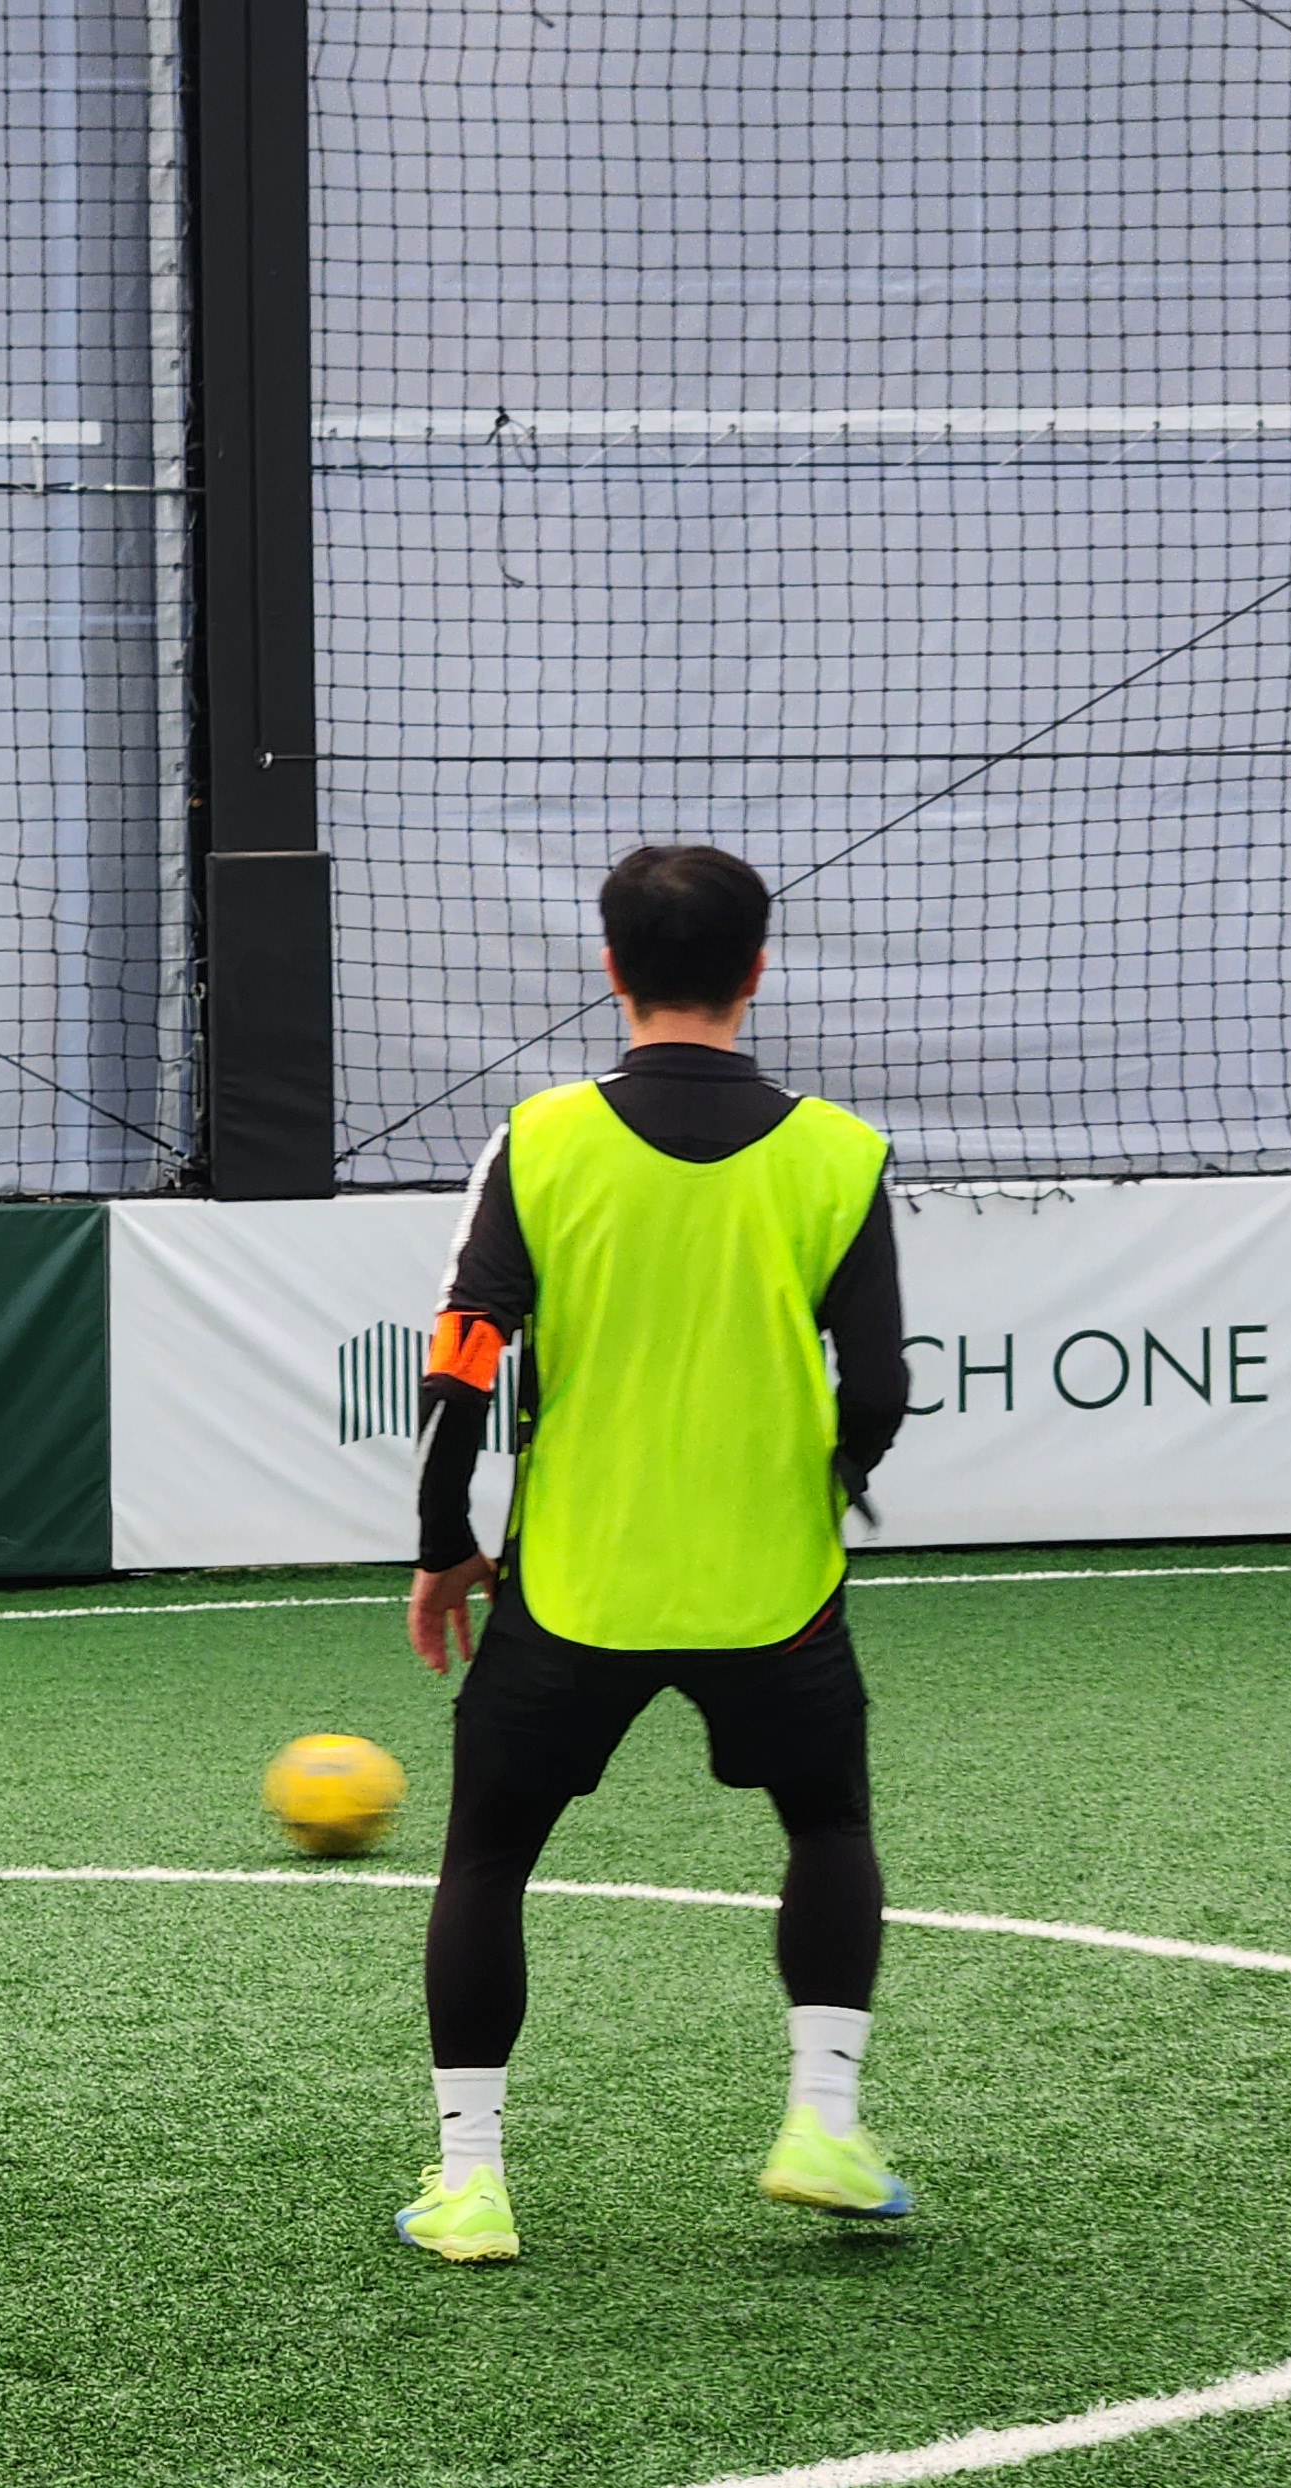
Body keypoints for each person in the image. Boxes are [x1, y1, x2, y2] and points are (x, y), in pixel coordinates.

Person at [397, 844, 911, 2262]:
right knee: (827, 1827)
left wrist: (443, 1543)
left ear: (611, 968)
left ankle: (472, 2185)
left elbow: (460, 1367)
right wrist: (834, 1479)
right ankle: (822, 2124)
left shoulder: (540, 1139)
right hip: (774, 1591)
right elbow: (877, 1387)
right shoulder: (839, 1153)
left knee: (488, 1858)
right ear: (757, 970)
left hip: (574, 1590)